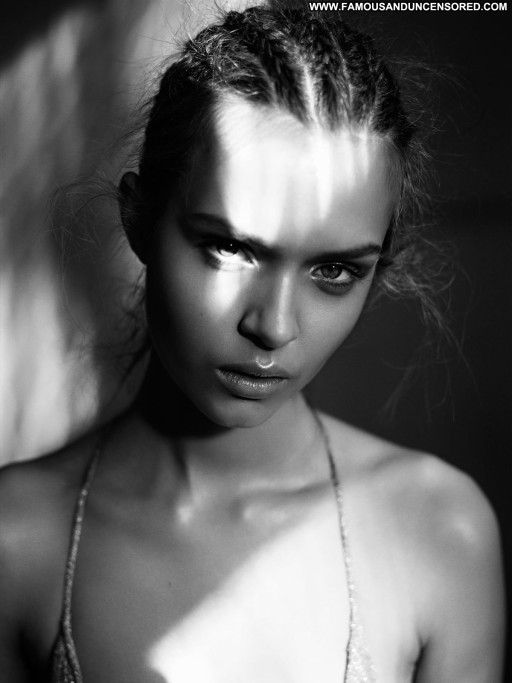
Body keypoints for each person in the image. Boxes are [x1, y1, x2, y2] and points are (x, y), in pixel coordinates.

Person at [0, 5, 505, 682]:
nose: (273, 326)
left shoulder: (440, 529)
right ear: (139, 219)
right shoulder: (18, 537)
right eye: (230, 247)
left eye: (334, 270)